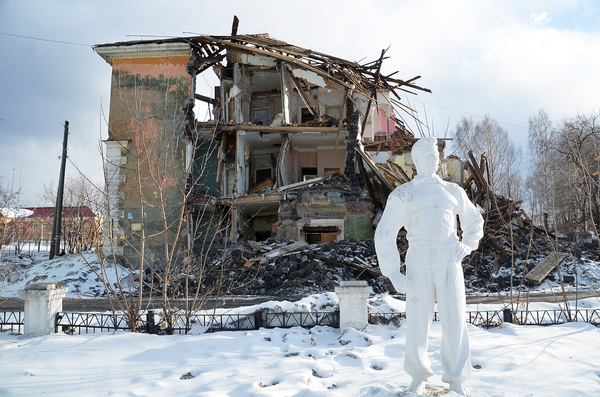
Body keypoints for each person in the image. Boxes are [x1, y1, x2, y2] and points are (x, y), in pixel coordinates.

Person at [374, 137, 484, 396]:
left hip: (449, 259)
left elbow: (474, 221)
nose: (433, 160)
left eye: (435, 156)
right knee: (417, 322)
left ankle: (456, 380)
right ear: (415, 160)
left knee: (454, 320)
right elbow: (385, 232)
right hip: (419, 259)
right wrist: (393, 272)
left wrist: (467, 244)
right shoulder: (404, 193)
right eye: (427, 156)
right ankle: (418, 377)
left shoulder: (453, 191)